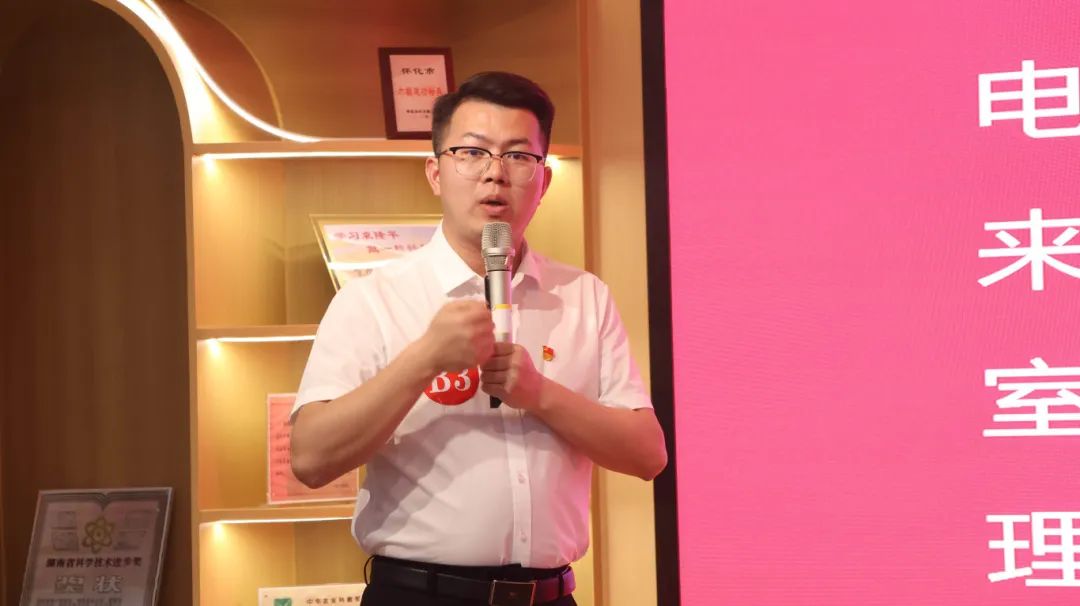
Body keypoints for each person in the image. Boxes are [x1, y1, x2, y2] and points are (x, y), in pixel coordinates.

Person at [289, 71, 667, 606]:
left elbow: (648, 454)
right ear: (436, 172)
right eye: (472, 152)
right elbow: (310, 459)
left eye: (518, 156)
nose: (495, 174)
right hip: (420, 596)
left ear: (544, 180)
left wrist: (540, 394)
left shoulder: (583, 296)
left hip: (550, 596)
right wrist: (423, 360)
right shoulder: (373, 299)